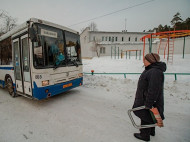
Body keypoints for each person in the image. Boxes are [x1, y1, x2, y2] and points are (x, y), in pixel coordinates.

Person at [132, 53, 167, 141]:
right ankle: (151, 130)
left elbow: (153, 89)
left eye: (145, 60)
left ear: (150, 61)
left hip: (147, 99)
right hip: (146, 97)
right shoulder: (151, 70)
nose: (143, 61)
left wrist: (149, 103)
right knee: (150, 115)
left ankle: (144, 135)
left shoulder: (154, 72)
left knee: (145, 115)